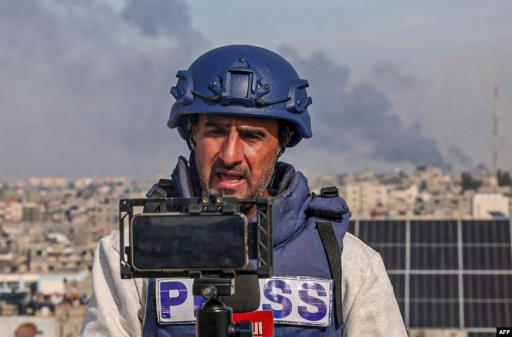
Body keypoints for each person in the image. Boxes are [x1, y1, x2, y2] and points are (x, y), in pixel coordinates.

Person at [80, 45, 407, 337]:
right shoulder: (133, 251)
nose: (230, 155)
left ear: (282, 143)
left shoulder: (345, 260)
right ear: (191, 135)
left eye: (252, 136)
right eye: (215, 132)